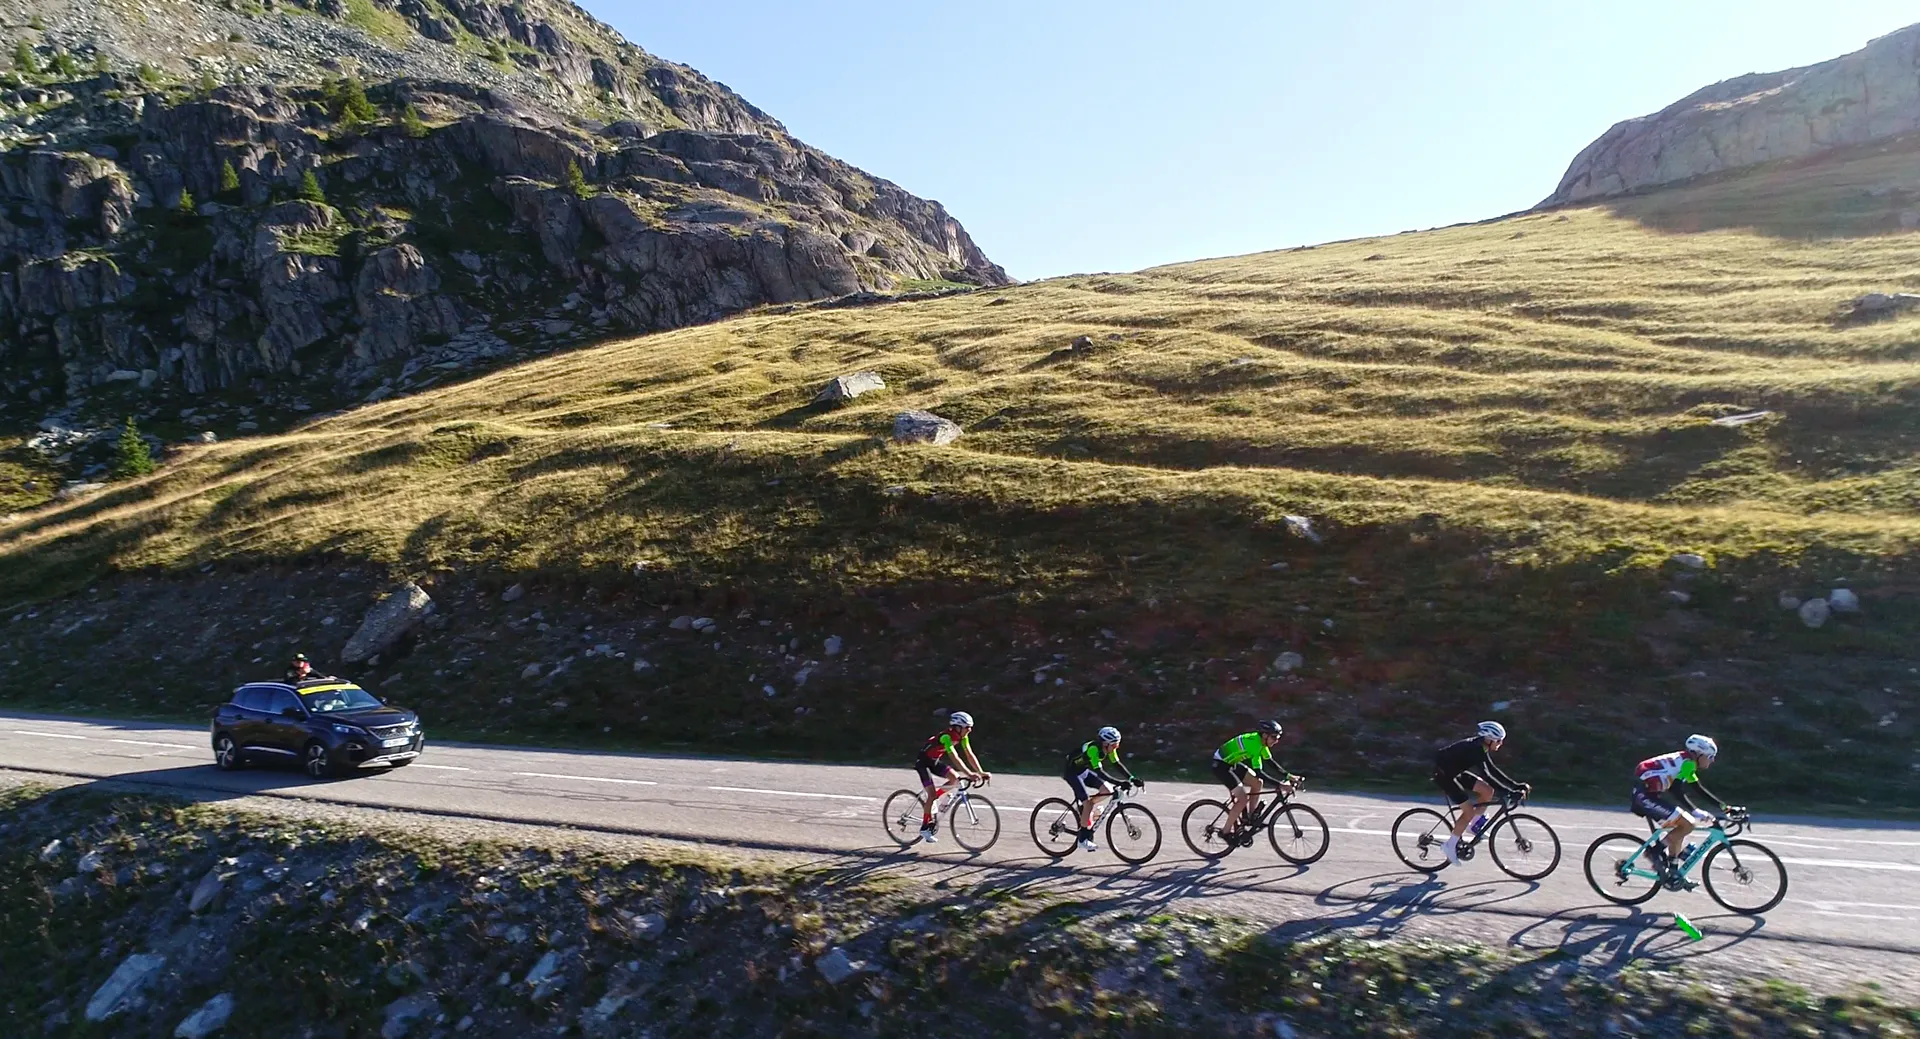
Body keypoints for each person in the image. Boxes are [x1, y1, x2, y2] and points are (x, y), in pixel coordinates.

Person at [1633, 734, 1736, 881]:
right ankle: (1654, 852)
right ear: (1699, 754)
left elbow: (1697, 788)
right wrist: (1695, 810)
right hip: (1644, 797)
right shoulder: (1687, 763)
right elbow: (1676, 790)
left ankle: (1673, 872)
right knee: (1688, 824)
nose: (1712, 760)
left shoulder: (1686, 762)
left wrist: (1726, 808)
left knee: (1681, 826)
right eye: (1710, 756)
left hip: (1648, 795)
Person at [1433, 721, 1529, 865]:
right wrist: (1509, 792)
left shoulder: (1481, 746)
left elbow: (1492, 769)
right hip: (1443, 775)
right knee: (1468, 811)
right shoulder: (1475, 749)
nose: (1501, 743)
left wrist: (1515, 785)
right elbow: (1486, 775)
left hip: (1454, 772)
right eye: (1498, 740)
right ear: (1489, 739)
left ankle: (1473, 826)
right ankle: (1449, 846)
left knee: (1487, 791)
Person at [1212, 720, 1300, 838]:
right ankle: (1225, 832)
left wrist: (1288, 776)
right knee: (1243, 799)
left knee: (1258, 783)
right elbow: (1259, 772)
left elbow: (1270, 762)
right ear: (1265, 735)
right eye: (1274, 737)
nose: (1276, 741)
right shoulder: (1255, 744)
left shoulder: (1262, 743)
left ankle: (1250, 817)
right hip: (1221, 765)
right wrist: (1281, 785)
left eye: (1278, 737)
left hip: (1232, 763)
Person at [914, 711, 989, 843]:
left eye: (970, 727)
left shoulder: (962, 737)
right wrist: (969, 774)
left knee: (955, 778)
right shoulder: (946, 737)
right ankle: (925, 827)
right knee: (931, 795)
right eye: (967, 727)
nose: (970, 730)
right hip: (923, 763)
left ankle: (934, 799)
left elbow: (969, 755)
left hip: (934, 761)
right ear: (958, 727)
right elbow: (955, 757)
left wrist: (981, 772)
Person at [1063, 726, 1141, 853]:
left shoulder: (1108, 749)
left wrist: (1132, 779)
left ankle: (1085, 811)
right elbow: (1100, 773)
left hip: (1083, 770)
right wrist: (1119, 782)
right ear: (1106, 744)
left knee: (1107, 789)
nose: (1116, 748)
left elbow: (1117, 764)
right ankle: (1082, 840)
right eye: (1115, 745)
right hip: (1072, 773)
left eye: (1117, 745)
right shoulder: (1094, 750)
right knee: (1088, 803)